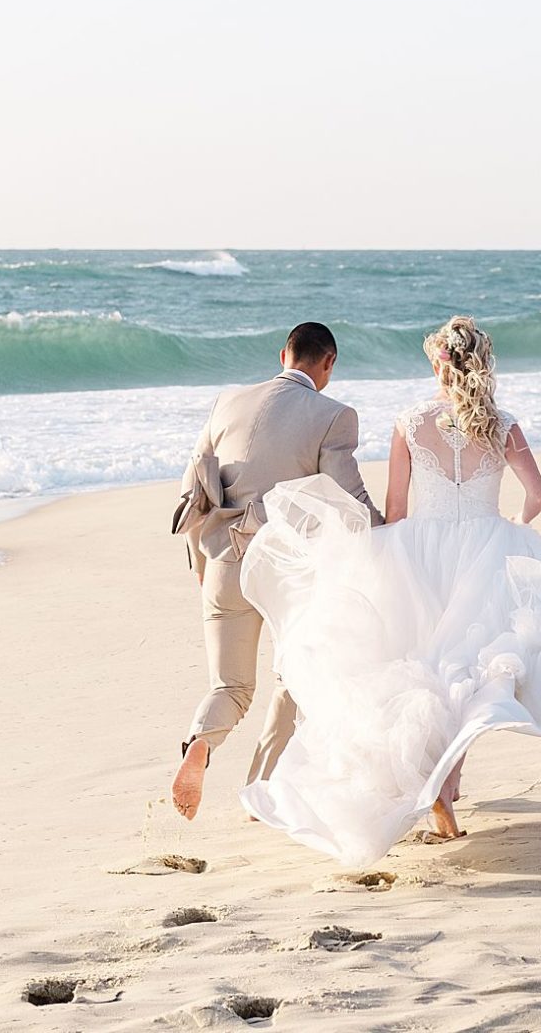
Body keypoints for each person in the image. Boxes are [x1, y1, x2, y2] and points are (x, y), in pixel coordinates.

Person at [238, 315, 541, 866]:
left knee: (424, 667)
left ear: (439, 363)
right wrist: (515, 530)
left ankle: (435, 788)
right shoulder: (503, 425)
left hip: (420, 554)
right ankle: (447, 786)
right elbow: (539, 494)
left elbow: (398, 508)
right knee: (472, 675)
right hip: (486, 552)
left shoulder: (410, 421)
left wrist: (370, 554)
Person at [171, 321, 383, 820]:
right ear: (328, 364)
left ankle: (200, 743)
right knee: (296, 676)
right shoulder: (334, 416)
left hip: (222, 560)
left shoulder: (227, 401)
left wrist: (202, 566)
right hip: (288, 569)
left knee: (230, 687)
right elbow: (350, 494)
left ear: (283, 353)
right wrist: (387, 530)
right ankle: (261, 788)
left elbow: (192, 492)